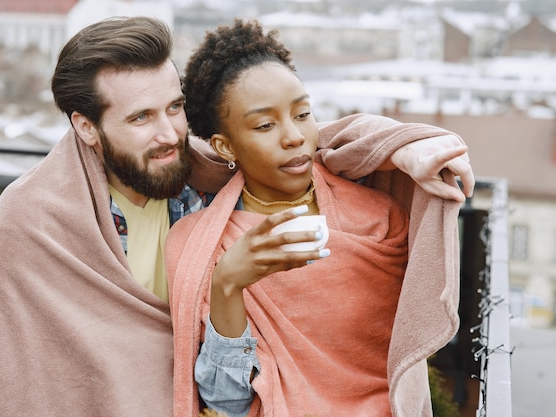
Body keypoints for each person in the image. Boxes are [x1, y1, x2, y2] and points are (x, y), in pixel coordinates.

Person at [0, 16, 471, 417]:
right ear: (87, 127)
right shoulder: (36, 218)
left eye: (173, 107)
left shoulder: (199, 181)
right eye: (141, 117)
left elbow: (304, 144)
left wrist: (414, 146)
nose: (169, 134)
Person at [166, 19, 463, 417]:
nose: (293, 136)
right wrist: (227, 284)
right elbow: (227, 403)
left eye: (303, 114)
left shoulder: (380, 219)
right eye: (265, 125)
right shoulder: (197, 244)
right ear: (224, 144)